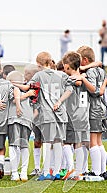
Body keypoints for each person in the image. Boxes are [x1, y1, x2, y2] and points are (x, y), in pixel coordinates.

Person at [13, 52, 72, 181]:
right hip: (61, 114)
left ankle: (46, 172)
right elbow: (70, 89)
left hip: (47, 114)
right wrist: (60, 101)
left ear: (38, 64)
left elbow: (27, 87)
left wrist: (13, 83)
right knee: (58, 143)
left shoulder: (38, 75)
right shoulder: (61, 75)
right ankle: (56, 172)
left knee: (47, 142)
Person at [53, 51, 97, 179]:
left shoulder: (70, 78)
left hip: (72, 115)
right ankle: (80, 171)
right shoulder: (85, 77)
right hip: (84, 115)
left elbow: (76, 83)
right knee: (80, 143)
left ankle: (72, 169)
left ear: (66, 66)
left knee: (66, 142)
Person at [77, 46, 107, 177]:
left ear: (85, 60)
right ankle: (101, 170)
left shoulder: (90, 72)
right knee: (98, 142)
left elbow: (95, 90)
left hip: (93, 110)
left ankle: (96, 172)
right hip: (99, 108)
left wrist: (83, 78)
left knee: (92, 142)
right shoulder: (100, 70)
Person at [6, 71, 35, 181]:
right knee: (21, 146)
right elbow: (15, 96)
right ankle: (21, 173)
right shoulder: (23, 90)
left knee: (17, 145)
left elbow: (15, 98)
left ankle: (18, 173)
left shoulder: (29, 90)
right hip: (21, 118)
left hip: (20, 118)